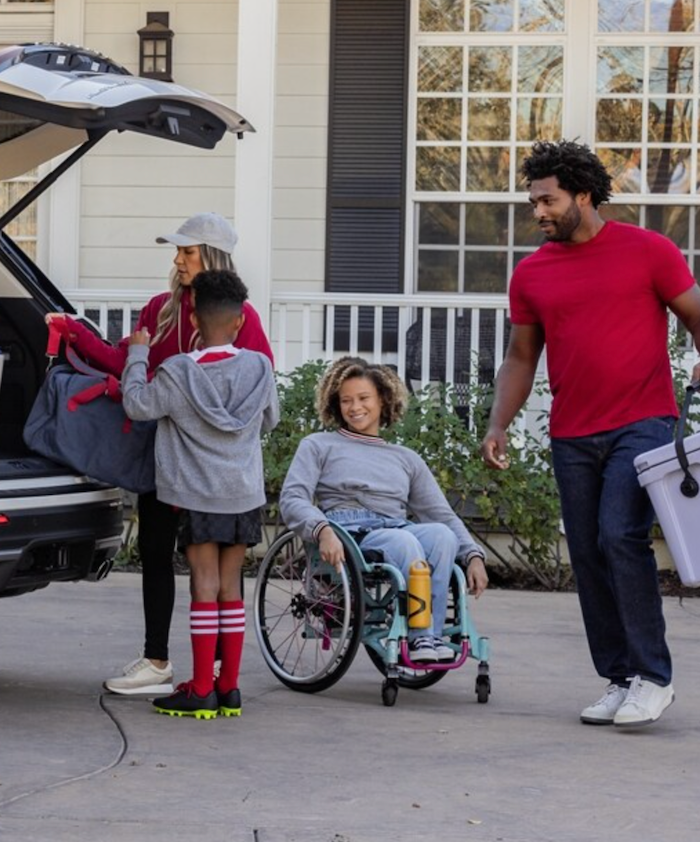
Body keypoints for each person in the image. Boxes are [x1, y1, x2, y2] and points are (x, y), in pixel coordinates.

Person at [483, 140, 700, 729]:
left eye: (548, 200)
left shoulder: (649, 251)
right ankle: (620, 677)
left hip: (644, 422)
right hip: (572, 434)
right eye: (534, 202)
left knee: (617, 536)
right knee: (586, 553)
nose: (539, 212)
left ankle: (654, 678)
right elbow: (521, 357)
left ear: (583, 194)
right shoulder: (531, 274)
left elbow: (696, 314)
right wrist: (498, 422)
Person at [51, 212, 275, 696]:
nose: (177, 260)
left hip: (211, 472)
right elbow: (128, 358)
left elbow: (252, 390)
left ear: (212, 256)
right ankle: (159, 662)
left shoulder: (243, 318)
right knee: (156, 552)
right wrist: (77, 334)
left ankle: (212, 675)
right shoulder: (160, 307)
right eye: (177, 251)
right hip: (166, 459)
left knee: (207, 573)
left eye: (187, 251)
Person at [117, 270, 278, 719]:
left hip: (198, 495)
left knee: (203, 587)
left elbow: (136, 404)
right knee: (230, 588)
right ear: (240, 321)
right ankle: (229, 689)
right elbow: (270, 420)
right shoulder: (260, 368)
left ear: (192, 316)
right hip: (243, 496)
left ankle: (201, 687)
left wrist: (137, 355)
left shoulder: (176, 374)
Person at [281, 357, 490, 662]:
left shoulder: (405, 458)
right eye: (346, 401)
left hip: (396, 526)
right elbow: (293, 498)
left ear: (383, 400)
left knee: (442, 536)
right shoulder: (318, 445)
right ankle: (422, 641)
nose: (355, 407)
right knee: (405, 542)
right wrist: (321, 529)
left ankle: (428, 638)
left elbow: (441, 514)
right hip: (349, 532)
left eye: (363, 398)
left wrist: (472, 555)